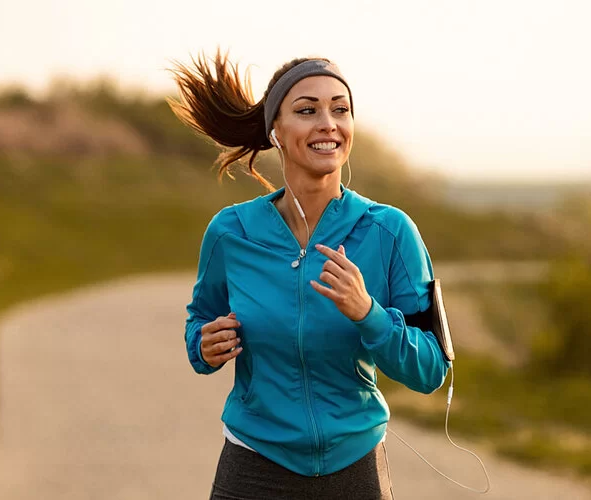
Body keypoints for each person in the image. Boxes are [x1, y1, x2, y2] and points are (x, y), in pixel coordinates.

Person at [168, 49, 451, 500]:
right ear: (275, 131)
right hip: (253, 464)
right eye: (307, 110)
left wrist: (369, 313)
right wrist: (203, 345)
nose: (328, 123)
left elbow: (432, 369)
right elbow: (199, 322)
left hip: (353, 469)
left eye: (340, 109)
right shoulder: (231, 232)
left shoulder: (390, 231)